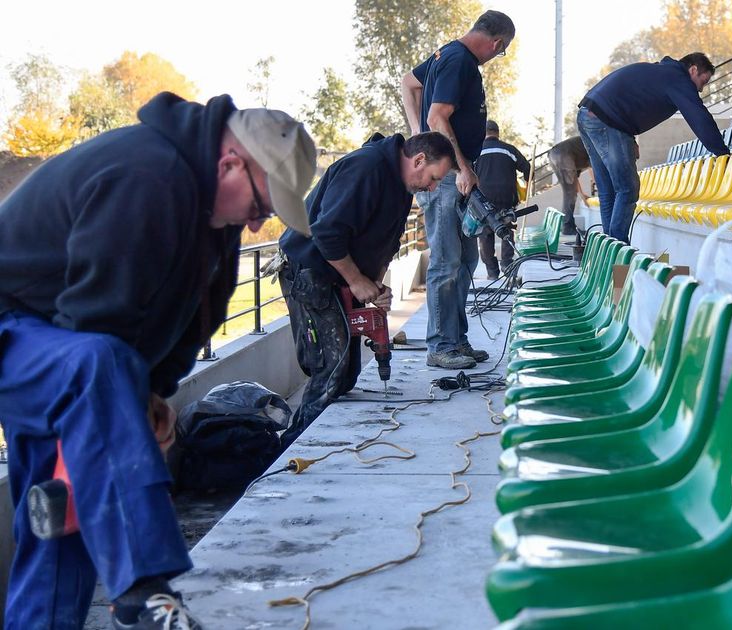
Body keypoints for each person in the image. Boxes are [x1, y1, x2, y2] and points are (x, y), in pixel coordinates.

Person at [0, 92, 317, 629]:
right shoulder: (148, 176)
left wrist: (155, 394)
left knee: (62, 514)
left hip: (66, 355)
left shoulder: (208, 215)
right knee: (95, 371)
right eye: (262, 207)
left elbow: (193, 317)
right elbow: (95, 321)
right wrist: (132, 403)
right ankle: (144, 586)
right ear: (230, 163)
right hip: (25, 334)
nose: (260, 225)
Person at [278, 131, 455, 442]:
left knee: (346, 374)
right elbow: (328, 232)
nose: (433, 186)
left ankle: (323, 439)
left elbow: (385, 241)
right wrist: (356, 280)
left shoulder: (402, 186)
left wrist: (375, 281)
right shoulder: (367, 168)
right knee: (331, 367)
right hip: (309, 270)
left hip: (335, 271)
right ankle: (293, 448)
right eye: (433, 177)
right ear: (419, 160)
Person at [401, 9, 516, 370]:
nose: (498, 56)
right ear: (497, 43)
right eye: (502, 51)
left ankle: (456, 339)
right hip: (447, 177)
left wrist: (420, 137)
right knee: (447, 261)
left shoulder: (446, 54)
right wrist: (462, 166)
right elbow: (437, 116)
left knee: (465, 260)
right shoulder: (460, 61)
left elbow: (408, 82)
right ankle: (441, 345)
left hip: (454, 174)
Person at [578, 52, 731, 243]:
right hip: (607, 120)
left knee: (608, 188)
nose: (700, 89)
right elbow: (698, 117)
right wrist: (722, 152)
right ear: (693, 70)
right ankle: (618, 248)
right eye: (703, 81)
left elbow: (629, 100)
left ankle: (609, 250)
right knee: (627, 189)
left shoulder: (662, 73)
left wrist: (630, 138)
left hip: (588, 115)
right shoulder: (677, 78)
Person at [474, 119, 530, 280]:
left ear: (482, 133)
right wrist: (526, 184)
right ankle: (507, 267)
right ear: (497, 133)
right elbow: (527, 169)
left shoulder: (476, 152)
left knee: (485, 238)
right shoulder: (509, 150)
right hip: (507, 201)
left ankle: (492, 273)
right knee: (506, 234)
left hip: (483, 204)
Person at [547, 135, 591, 236]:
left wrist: (582, 195)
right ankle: (567, 226)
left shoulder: (579, 153)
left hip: (555, 154)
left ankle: (567, 225)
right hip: (562, 154)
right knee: (569, 193)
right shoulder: (594, 143)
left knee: (570, 193)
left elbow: (575, 181)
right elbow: (595, 171)